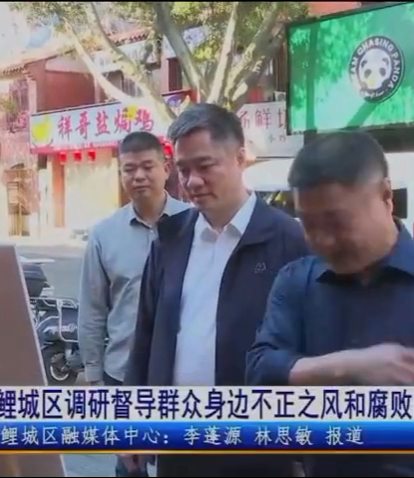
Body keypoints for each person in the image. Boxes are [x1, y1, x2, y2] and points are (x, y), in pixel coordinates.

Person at [246, 131, 414, 477]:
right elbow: (261, 371)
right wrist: (346, 366)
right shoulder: (297, 282)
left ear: (386, 196)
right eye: (309, 224)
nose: (323, 240)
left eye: (337, 222)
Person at [123, 103, 309, 477]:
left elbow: (311, 343)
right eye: (183, 170)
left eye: (205, 166)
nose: (192, 181)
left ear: (240, 158)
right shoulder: (171, 239)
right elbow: (145, 336)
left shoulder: (288, 240)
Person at [78, 131, 189, 477]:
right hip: (123, 373)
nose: (138, 176)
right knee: (130, 465)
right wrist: (94, 378)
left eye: (147, 166)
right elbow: (93, 310)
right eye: (129, 169)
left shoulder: (195, 225)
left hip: (181, 372)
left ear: (166, 168)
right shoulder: (104, 235)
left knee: (183, 463)